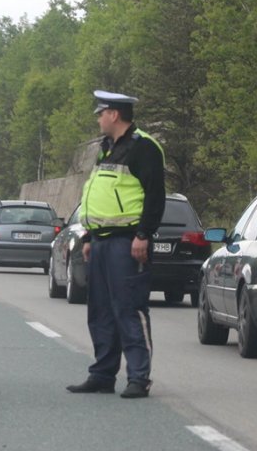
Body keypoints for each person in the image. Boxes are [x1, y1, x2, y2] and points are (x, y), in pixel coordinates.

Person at [66, 90, 165, 399]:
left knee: (130, 309)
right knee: (100, 311)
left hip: (128, 242)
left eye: (101, 112)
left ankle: (138, 378)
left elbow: (155, 197)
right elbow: (96, 196)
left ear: (114, 115)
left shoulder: (143, 148)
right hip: (100, 242)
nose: (98, 118)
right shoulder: (106, 148)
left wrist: (143, 235)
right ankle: (102, 374)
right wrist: (87, 237)